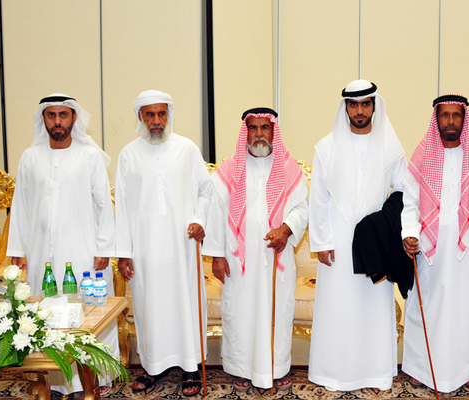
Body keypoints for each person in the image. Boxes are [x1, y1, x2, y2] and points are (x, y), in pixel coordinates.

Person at [7, 93, 117, 395]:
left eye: (63, 115)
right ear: (43, 119)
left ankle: (91, 379)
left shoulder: (90, 156)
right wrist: (17, 249)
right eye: (51, 115)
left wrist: (103, 248)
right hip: (40, 250)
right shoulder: (30, 157)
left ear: (74, 118)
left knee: (86, 314)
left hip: (82, 252)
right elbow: (21, 206)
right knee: (44, 312)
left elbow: (103, 206)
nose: (57, 121)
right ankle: (52, 380)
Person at [308, 80, 407, 391]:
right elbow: (318, 198)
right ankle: (333, 373)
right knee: (338, 308)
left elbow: (404, 191)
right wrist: (322, 242)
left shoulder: (391, 147)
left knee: (372, 308)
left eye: (366, 103)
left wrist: (384, 226)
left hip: (375, 241)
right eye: (353, 104)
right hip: (337, 242)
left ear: (374, 106)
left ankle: (375, 373)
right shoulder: (326, 147)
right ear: (346, 108)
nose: (360, 110)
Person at [202, 107, 308, 393]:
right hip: (239, 261)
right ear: (245, 132)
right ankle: (242, 368)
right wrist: (217, 256)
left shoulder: (289, 169)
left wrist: (286, 229)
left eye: (265, 127)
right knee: (241, 312)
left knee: (277, 312)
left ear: (274, 131)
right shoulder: (228, 170)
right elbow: (215, 214)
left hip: (277, 256)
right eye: (253, 128)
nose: (259, 134)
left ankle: (276, 368)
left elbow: (302, 208)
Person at [115, 90, 212, 397]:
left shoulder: (186, 148)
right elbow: (122, 207)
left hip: (182, 247)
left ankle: (191, 368)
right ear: (140, 117)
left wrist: (200, 220)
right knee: (150, 307)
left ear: (168, 115)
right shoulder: (128, 154)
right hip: (145, 250)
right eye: (150, 114)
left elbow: (206, 190)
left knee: (186, 304)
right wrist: (123, 253)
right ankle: (153, 367)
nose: (156, 120)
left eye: (161, 113)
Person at [401, 93, 469, 393]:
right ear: (437, 119)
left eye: (456, 115)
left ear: (464, 119)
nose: (451, 121)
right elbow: (410, 203)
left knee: (468, 308)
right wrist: (410, 233)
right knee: (428, 305)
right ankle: (421, 367)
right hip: (430, 249)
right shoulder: (422, 157)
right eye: (445, 115)